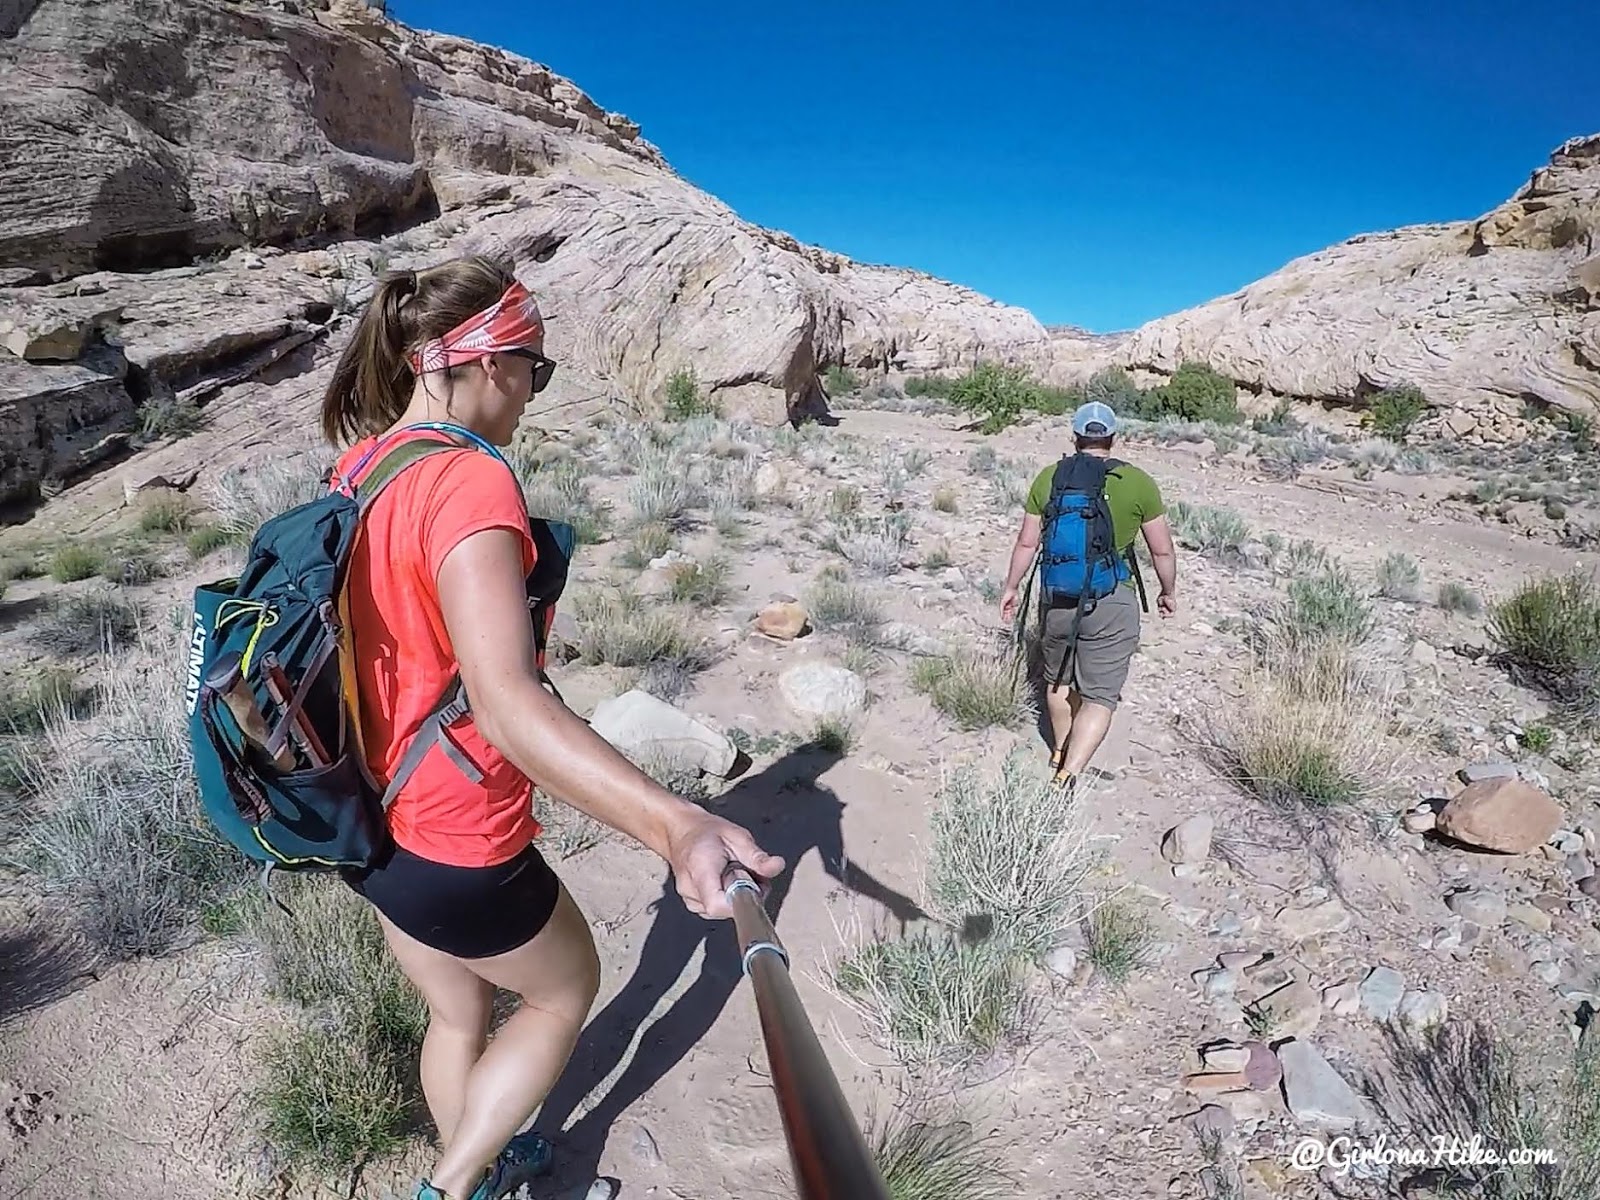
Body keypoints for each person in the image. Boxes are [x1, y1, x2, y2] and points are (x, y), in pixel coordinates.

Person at [319, 252, 786, 1200]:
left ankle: (479, 1167)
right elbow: (503, 699)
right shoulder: (470, 484)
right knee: (563, 990)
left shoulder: (363, 468)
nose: (533, 390)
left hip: (366, 820)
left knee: (457, 1017)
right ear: (491, 360)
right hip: (460, 833)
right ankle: (452, 1185)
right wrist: (676, 823)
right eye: (537, 366)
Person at [998, 399, 1178, 791]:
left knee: (1058, 682)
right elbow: (1161, 550)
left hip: (1059, 593)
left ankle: (1059, 749)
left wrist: (1011, 587)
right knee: (1099, 694)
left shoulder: (1049, 478)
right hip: (1112, 597)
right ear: (1112, 437)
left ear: (1075, 435)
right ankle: (1069, 773)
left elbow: (1027, 544)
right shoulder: (1138, 482)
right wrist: (1167, 591)